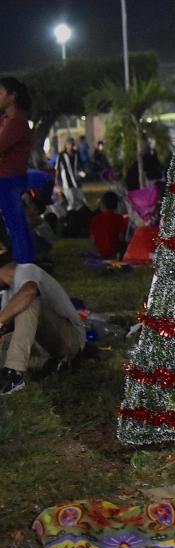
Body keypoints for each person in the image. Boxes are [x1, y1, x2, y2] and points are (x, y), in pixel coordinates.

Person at [0, 257, 86, 394]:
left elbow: (29, 293)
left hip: (69, 339)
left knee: (28, 303)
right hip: (37, 344)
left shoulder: (27, 270)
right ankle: (45, 364)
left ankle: (13, 375)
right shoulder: (6, 293)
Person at [0, 77, 36, 265]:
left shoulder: (16, 123)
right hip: (6, 179)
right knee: (15, 225)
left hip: (9, 181)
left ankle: (25, 265)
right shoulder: (6, 120)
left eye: (0, 92)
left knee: (16, 226)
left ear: (12, 96)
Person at [89, 192, 128, 259]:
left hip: (101, 251)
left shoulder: (95, 219)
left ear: (102, 205)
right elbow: (121, 236)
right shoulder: (119, 218)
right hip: (115, 250)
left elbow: (93, 239)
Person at [55, 137, 86, 213]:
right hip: (67, 181)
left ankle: (80, 214)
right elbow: (57, 168)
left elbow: (80, 165)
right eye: (70, 144)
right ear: (66, 145)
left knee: (80, 198)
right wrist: (56, 180)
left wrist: (81, 173)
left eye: (73, 144)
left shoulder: (76, 154)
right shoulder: (61, 155)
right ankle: (71, 215)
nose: (71, 146)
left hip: (77, 180)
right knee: (70, 200)